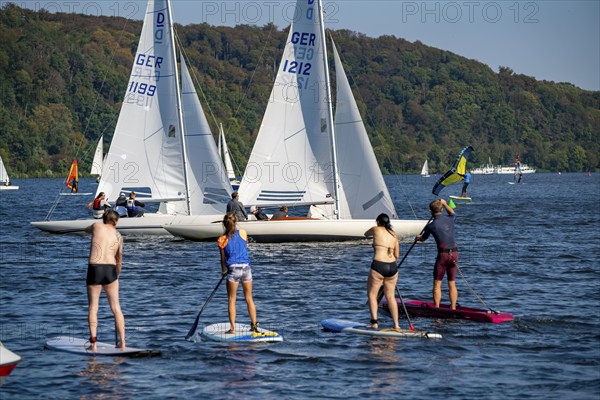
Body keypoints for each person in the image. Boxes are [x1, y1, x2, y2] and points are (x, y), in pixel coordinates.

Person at [84, 210, 125, 350]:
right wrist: (116, 276)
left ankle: (93, 344)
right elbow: (119, 260)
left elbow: (86, 230)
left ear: (103, 219)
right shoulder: (119, 236)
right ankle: (123, 343)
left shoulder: (96, 226)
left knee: (93, 307)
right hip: (111, 270)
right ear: (116, 222)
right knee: (116, 308)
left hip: (95, 268)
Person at [217, 212, 258, 334]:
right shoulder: (243, 233)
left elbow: (223, 259)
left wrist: (224, 270)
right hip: (246, 268)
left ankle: (232, 329)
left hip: (233, 270)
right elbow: (244, 246)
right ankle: (254, 326)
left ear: (224, 225)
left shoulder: (221, 239)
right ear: (235, 223)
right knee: (249, 298)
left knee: (231, 299)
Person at [416, 199, 459, 310]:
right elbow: (453, 213)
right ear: (442, 209)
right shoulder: (450, 219)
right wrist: (444, 203)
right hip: (454, 254)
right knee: (452, 283)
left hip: (443, 256)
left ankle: (436, 308)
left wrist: (418, 238)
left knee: (437, 284)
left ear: (431, 212)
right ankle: (453, 308)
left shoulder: (430, 226)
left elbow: (423, 239)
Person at [364, 214, 401, 331]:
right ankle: (396, 325)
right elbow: (397, 256)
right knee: (390, 297)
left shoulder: (375, 229)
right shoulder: (394, 235)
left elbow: (366, 234)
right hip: (392, 268)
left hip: (378, 266)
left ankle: (374, 323)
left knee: (372, 295)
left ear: (378, 222)